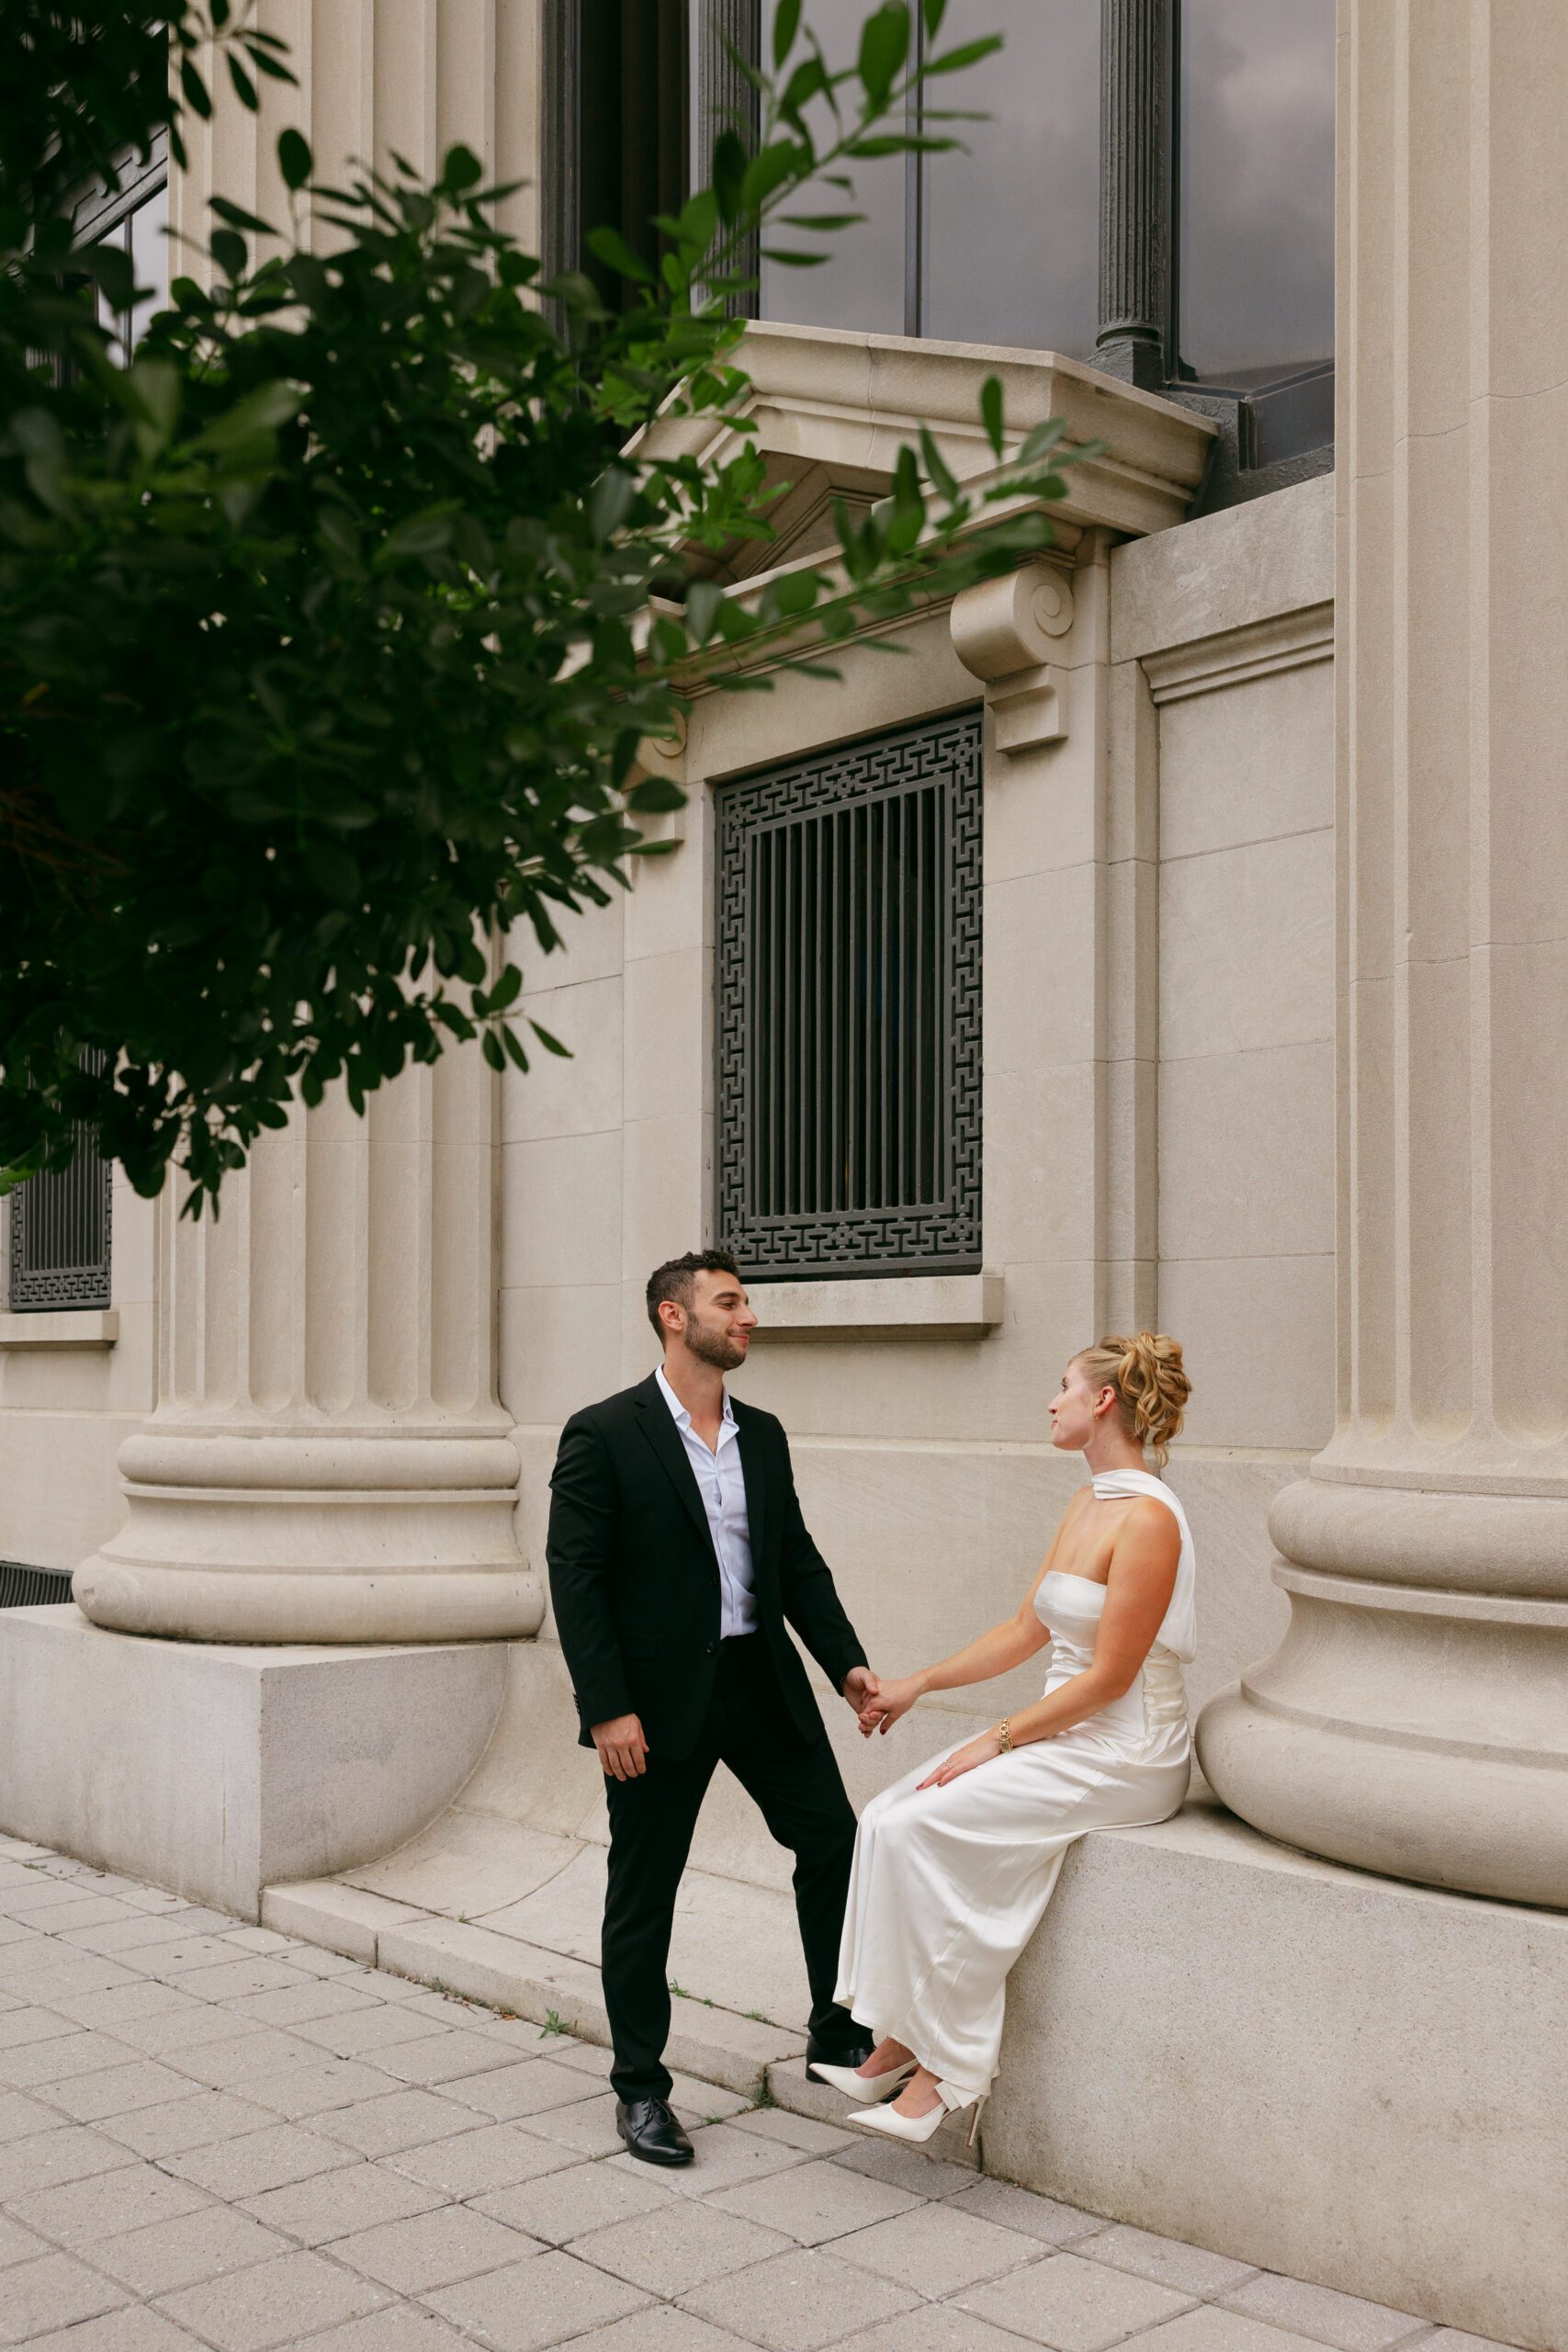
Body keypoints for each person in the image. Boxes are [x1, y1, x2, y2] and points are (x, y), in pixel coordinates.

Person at [547, 1249, 883, 2166]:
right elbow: (576, 1579)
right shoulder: (604, 1433)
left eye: (746, 1302)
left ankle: (835, 2027)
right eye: (729, 1302)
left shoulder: (762, 1434)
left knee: (835, 1841)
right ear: (672, 1315)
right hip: (651, 1707)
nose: (748, 1317)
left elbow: (796, 1562)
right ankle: (641, 2090)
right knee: (644, 1893)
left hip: (760, 1683)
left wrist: (846, 1661)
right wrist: (608, 1707)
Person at [816, 1332, 1195, 2144]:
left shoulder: (1152, 1522)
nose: (1050, 1403)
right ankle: (903, 2038)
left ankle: (944, 2073)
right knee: (887, 1815)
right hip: (1064, 1733)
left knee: (922, 1825)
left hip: (1125, 1750)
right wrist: (918, 1683)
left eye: (1061, 1387)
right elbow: (1024, 1630)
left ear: (1100, 1401)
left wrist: (999, 1738)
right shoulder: (1087, 1502)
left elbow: (1111, 1679)